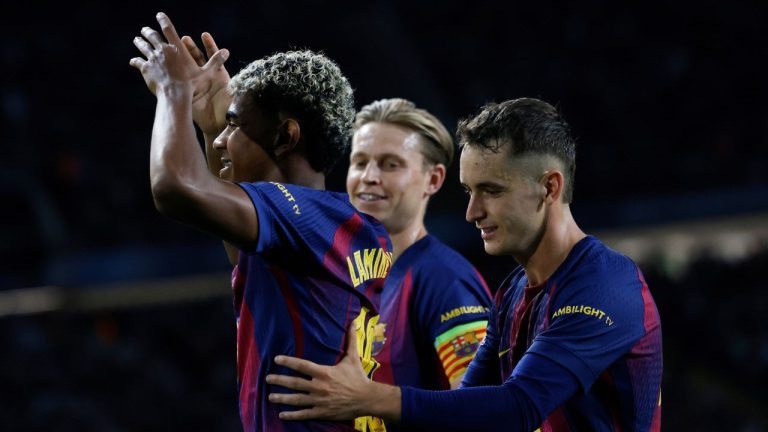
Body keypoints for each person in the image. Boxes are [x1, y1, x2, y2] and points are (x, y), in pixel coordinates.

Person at [266, 98, 663, 431]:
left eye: (491, 190)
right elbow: (467, 407)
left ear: (549, 187)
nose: (472, 212)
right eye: (470, 191)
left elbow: (518, 408)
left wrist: (370, 398)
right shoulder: (511, 293)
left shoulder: (606, 286)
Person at [129, 13, 392, 432]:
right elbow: (240, 245)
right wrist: (212, 123)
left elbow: (175, 188)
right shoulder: (355, 227)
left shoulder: (294, 215)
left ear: (286, 137)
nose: (221, 139)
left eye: (234, 125)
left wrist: (172, 91)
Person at [347, 99, 492, 398]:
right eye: (360, 162)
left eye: (391, 164)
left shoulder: (445, 281)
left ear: (433, 179)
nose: (368, 176)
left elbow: (480, 408)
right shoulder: (347, 277)